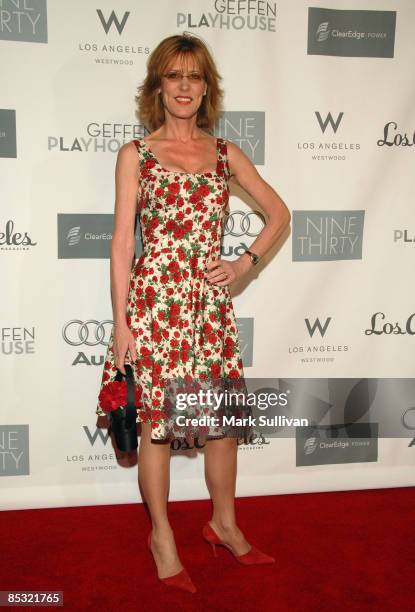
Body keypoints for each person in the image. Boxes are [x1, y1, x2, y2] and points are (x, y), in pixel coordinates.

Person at [96, 32, 291, 593]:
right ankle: (162, 536)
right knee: (157, 425)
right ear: (159, 85)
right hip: (155, 303)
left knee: (221, 427)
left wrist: (244, 263)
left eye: (195, 76)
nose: (185, 87)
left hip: (208, 306)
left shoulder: (226, 153)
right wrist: (120, 324)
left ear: (207, 88)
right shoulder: (136, 154)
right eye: (175, 76)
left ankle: (224, 523)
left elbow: (279, 213)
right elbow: (120, 244)